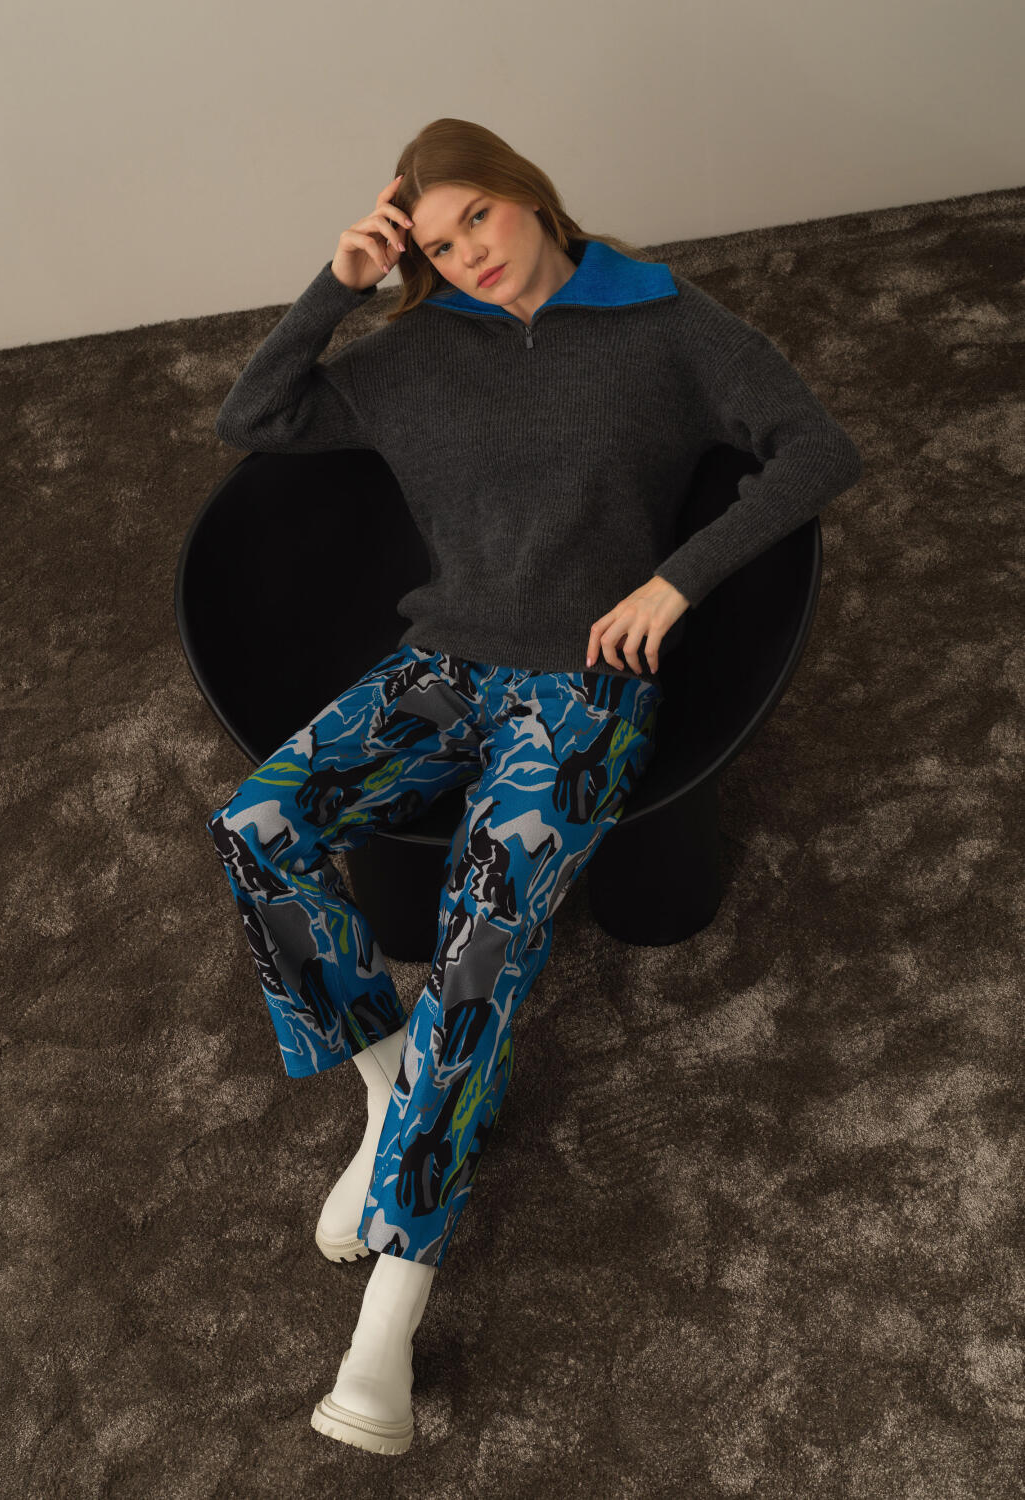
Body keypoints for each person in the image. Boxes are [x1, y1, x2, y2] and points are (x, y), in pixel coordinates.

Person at [205, 117, 863, 1456]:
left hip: (583, 686)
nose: (469, 257)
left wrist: (676, 580)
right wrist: (341, 281)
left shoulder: (664, 321)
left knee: (476, 947)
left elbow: (815, 449)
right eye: (438, 245)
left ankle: (385, 1328)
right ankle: (387, 1085)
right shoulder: (418, 349)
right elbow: (253, 417)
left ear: (530, 197)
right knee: (254, 822)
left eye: (479, 221)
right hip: (443, 667)